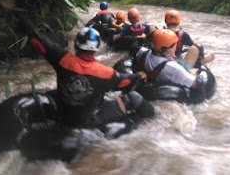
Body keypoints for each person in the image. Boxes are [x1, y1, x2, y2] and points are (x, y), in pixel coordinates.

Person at [27, 26, 155, 131]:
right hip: (88, 125)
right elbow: (127, 81)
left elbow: (38, 40)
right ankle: (155, 120)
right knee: (133, 97)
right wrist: (140, 75)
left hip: (62, 119)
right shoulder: (107, 73)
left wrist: (16, 13)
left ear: (76, 45)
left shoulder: (62, 59)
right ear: (96, 48)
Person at [134, 29, 208, 95]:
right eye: (174, 46)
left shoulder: (142, 52)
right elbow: (198, 84)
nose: (175, 48)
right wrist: (193, 73)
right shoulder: (173, 68)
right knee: (196, 50)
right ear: (164, 49)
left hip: (155, 78)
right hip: (174, 77)